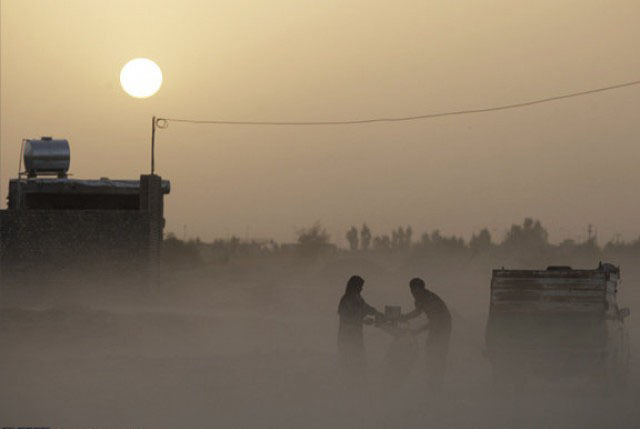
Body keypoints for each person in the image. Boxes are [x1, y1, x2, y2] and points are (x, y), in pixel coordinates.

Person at [401, 277, 452, 390]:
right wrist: (403, 317)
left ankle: (436, 384)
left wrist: (417, 331)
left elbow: (435, 321)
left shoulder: (429, 299)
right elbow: (418, 312)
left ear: (421, 289)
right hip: (437, 328)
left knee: (437, 353)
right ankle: (433, 382)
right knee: (431, 351)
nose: (413, 294)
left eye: (415, 291)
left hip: (443, 328)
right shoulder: (420, 298)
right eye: (412, 291)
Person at [337, 275, 383, 378]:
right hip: (347, 336)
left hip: (356, 335)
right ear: (354, 286)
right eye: (360, 286)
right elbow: (346, 318)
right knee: (349, 362)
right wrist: (362, 320)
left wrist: (377, 313)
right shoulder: (346, 299)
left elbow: (366, 308)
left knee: (358, 360)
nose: (362, 288)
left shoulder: (358, 297)